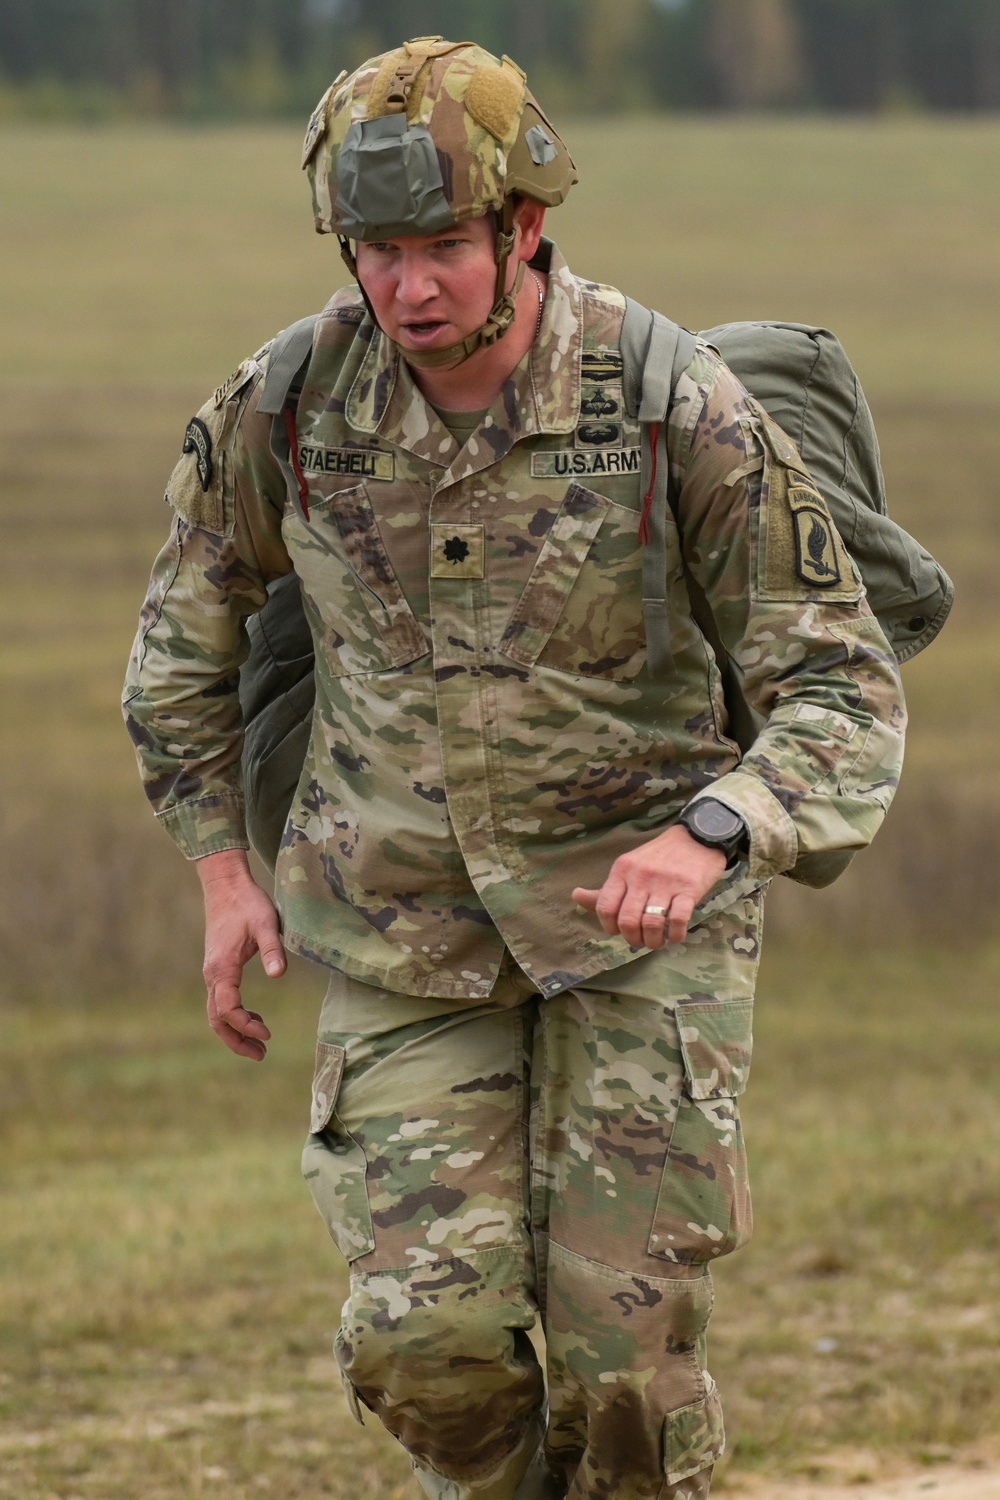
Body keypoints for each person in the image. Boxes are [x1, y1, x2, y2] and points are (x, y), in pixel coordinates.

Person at [123, 36, 906, 1500]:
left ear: (523, 231)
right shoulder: (288, 405)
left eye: (440, 247)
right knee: (430, 1347)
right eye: (375, 250)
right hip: (404, 929)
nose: (407, 287)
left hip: (641, 931)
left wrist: (716, 832)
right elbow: (178, 655)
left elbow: (840, 682)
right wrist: (223, 873)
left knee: (623, 1372)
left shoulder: (668, 398)